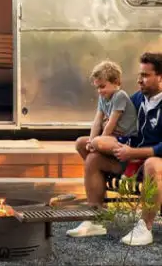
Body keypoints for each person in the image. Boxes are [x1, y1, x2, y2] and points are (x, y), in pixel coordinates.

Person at [67, 52, 162, 246]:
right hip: (130, 158)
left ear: (160, 77)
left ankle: (145, 227)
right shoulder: (137, 99)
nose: (139, 80)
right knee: (92, 157)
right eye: (139, 74)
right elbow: (117, 120)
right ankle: (95, 219)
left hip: (153, 160)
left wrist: (132, 152)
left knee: (153, 164)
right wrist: (107, 131)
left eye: (145, 75)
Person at [74, 60, 138, 162]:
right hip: (113, 136)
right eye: (97, 87)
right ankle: (102, 168)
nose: (99, 91)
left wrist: (99, 140)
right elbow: (97, 121)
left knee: (98, 143)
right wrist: (91, 141)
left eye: (102, 86)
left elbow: (112, 123)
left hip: (127, 139)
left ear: (116, 83)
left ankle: (115, 166)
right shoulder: (103, 97)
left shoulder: (120, 95)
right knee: (80, 143)